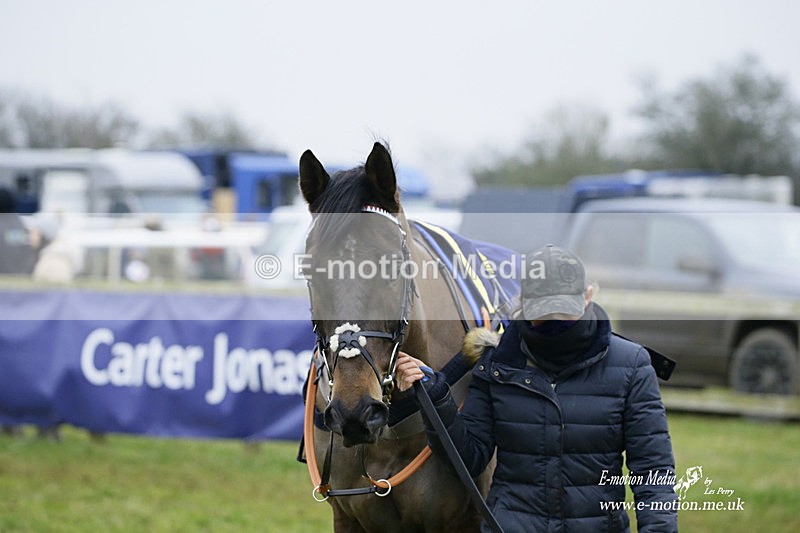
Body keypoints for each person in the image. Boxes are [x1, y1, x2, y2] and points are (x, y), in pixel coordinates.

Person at [396, 244, 678, 532]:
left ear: (588, 297)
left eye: (562, 311)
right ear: (522, 303)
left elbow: (653, 472)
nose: (554, 322)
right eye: (545, 312)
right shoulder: (496, 364)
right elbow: (470, 457)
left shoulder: (631, 365)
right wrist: (436, 399)